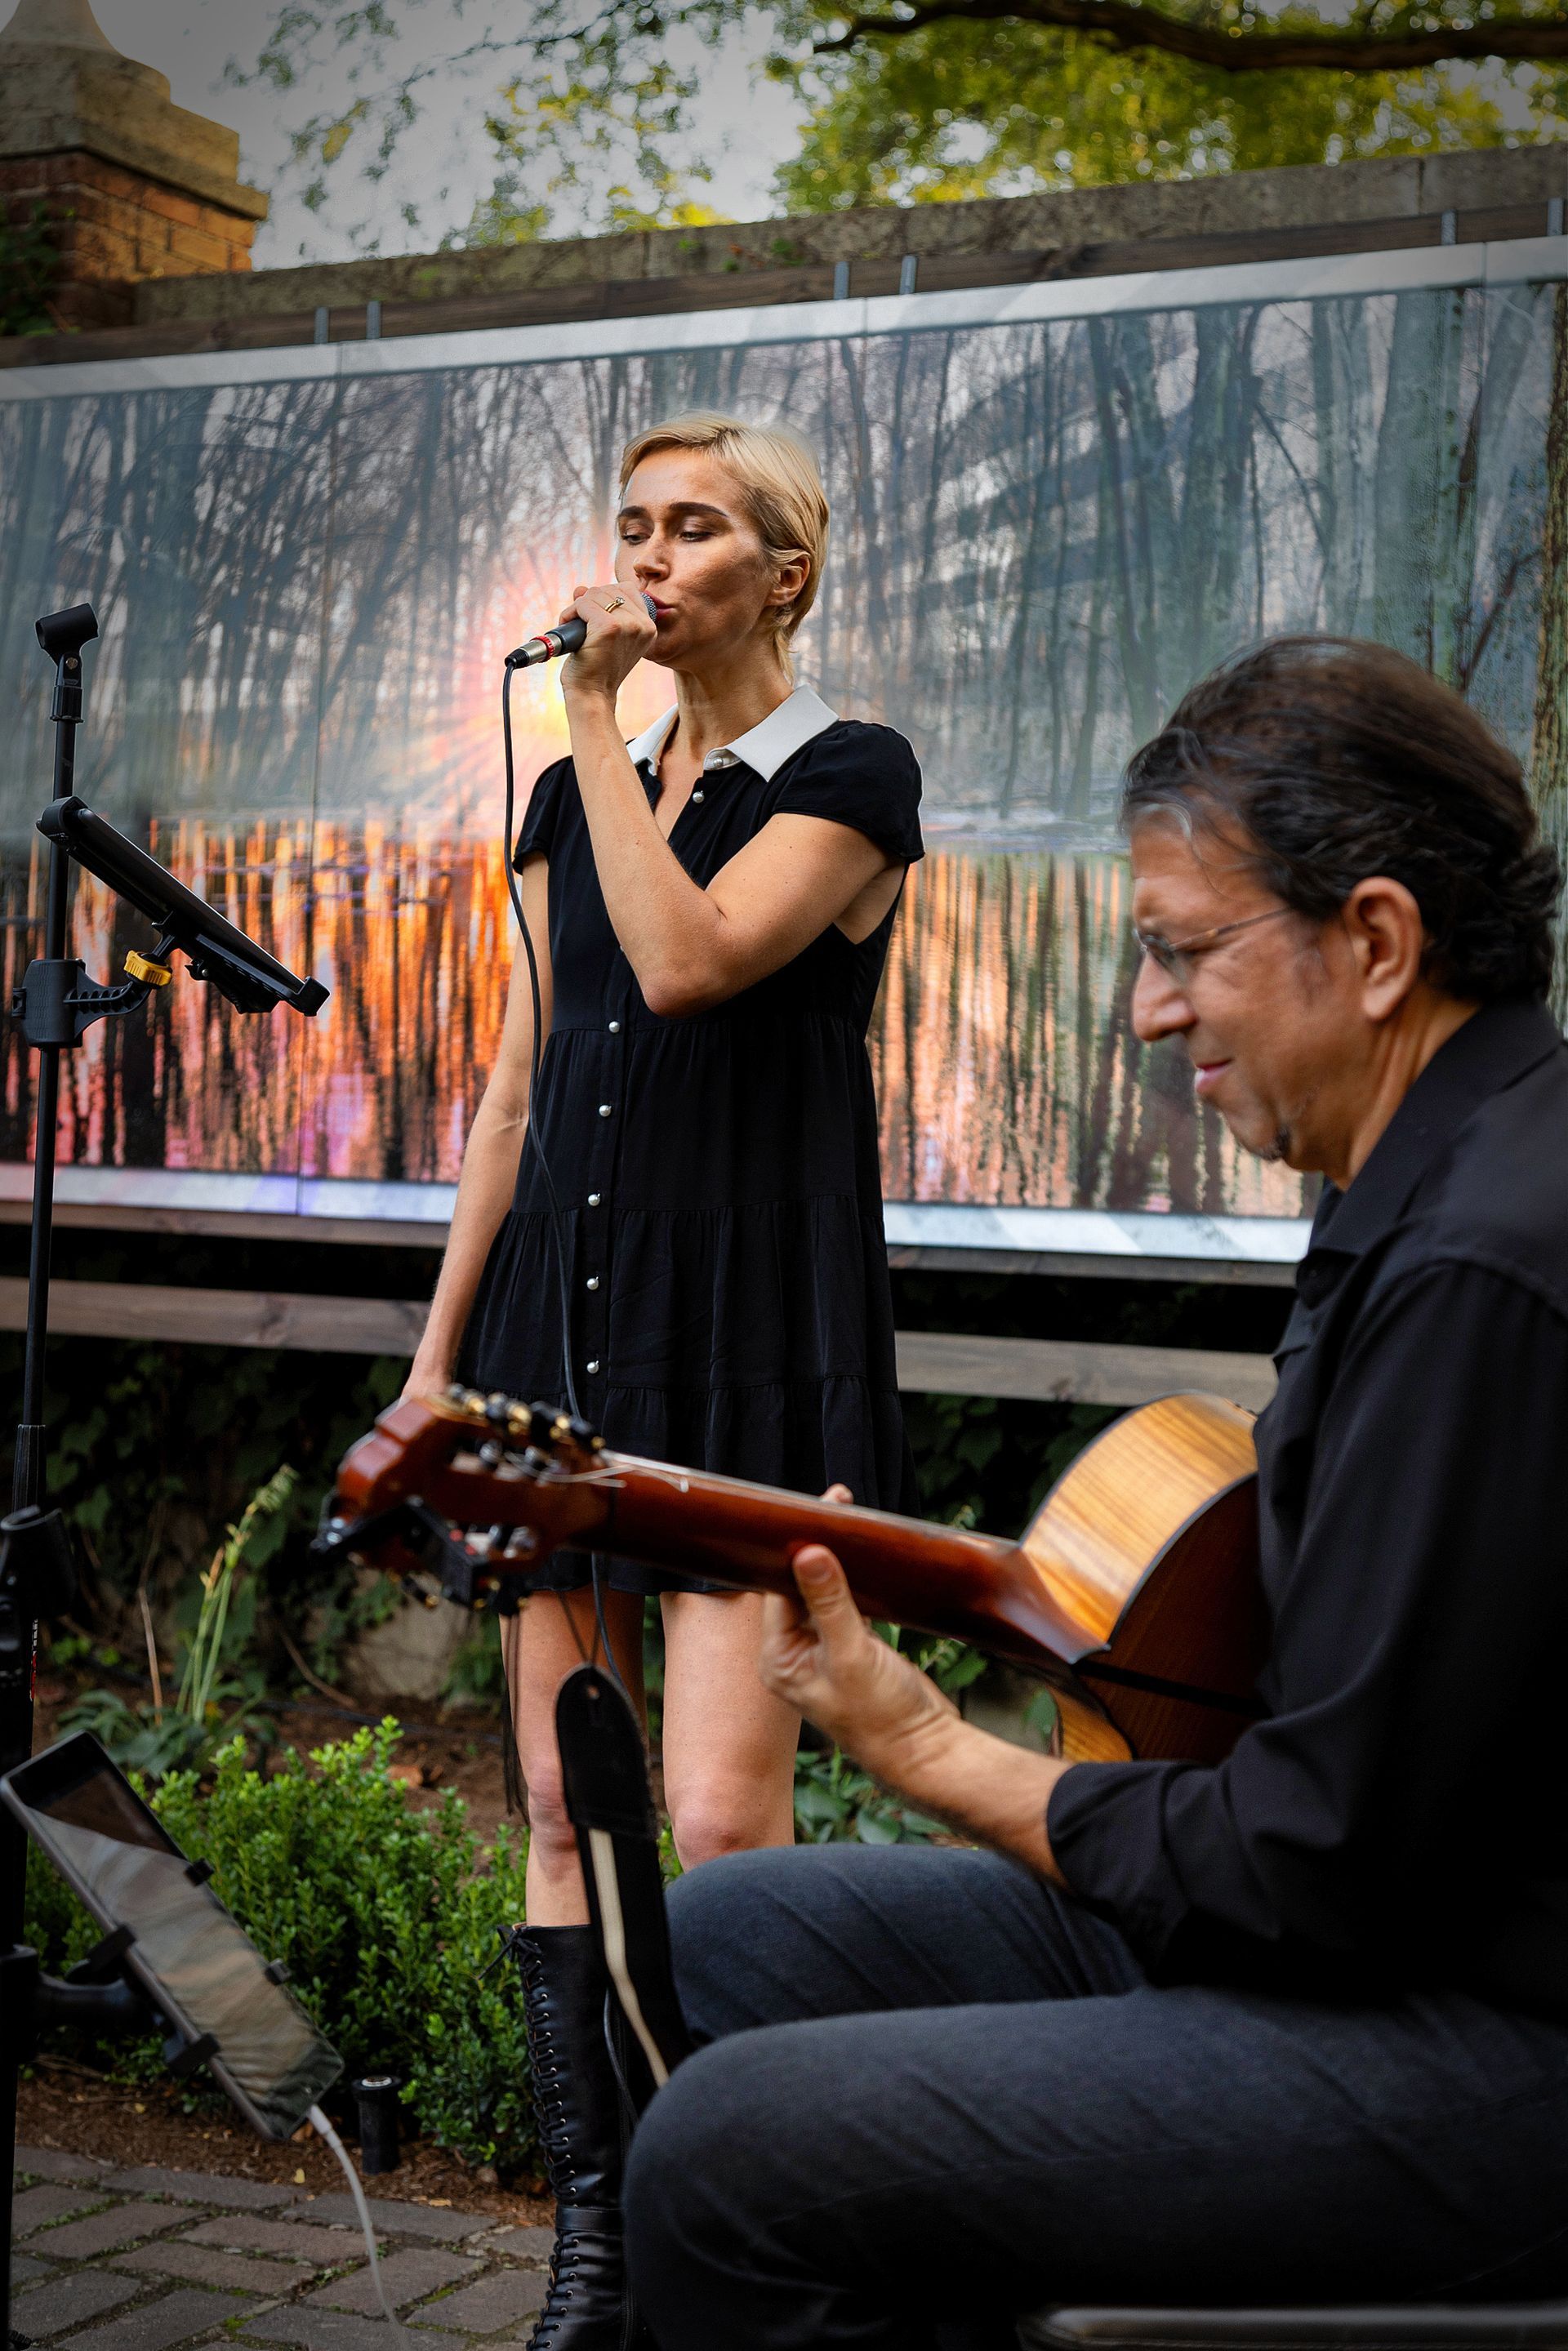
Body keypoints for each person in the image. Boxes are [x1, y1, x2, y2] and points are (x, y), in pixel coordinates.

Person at [621, 635, 1568, 2350]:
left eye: (1184, 953)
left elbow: (1316, 1860)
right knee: (735, 1930)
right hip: (1381, 1941)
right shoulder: (1451, 1176)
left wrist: (932, 1755)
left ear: (1374, 943)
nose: (1146, 1010)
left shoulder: (1486, 1266)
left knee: (722, 2156)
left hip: (1488, 2039)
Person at [403, 410, 922, 2344]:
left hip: (740, 1351)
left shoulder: (850, 774)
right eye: (631, 526)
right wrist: (441, 1362)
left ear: (780, 573)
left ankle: (740, 2249)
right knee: (556, 1800)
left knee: (715, 1823)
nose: (647, 558)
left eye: (693, 529)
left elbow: (696, 959)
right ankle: (596, 2252)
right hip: (563, 1346)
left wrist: (588, 748)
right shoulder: (580, 799)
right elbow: (519, 1090)